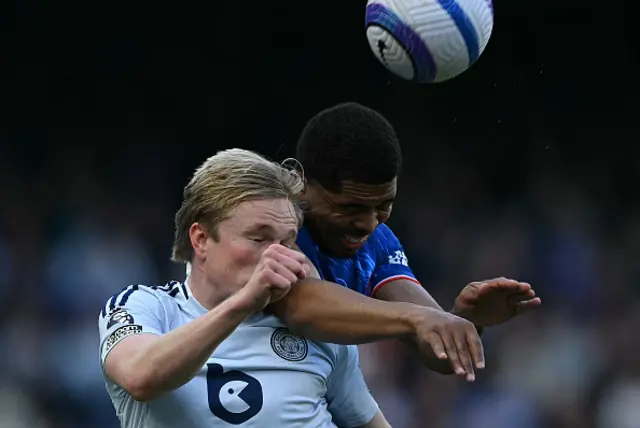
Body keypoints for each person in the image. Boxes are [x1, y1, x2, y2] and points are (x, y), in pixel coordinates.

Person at [99, 148, 393, 427]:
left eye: (288, 241)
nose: (279, 256)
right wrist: (244, 302)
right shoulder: (146, 307)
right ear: (201, 239)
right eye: (259, 238)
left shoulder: (316, 331)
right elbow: (140, 377)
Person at [265, 102, 542, 381]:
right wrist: (416, 318)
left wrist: (464, 321)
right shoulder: (268, 221)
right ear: (301, 186)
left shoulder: (379, 242)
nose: (368, 224)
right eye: (350, 207)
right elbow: (302, 307)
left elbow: (438, 355)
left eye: (383, 206)